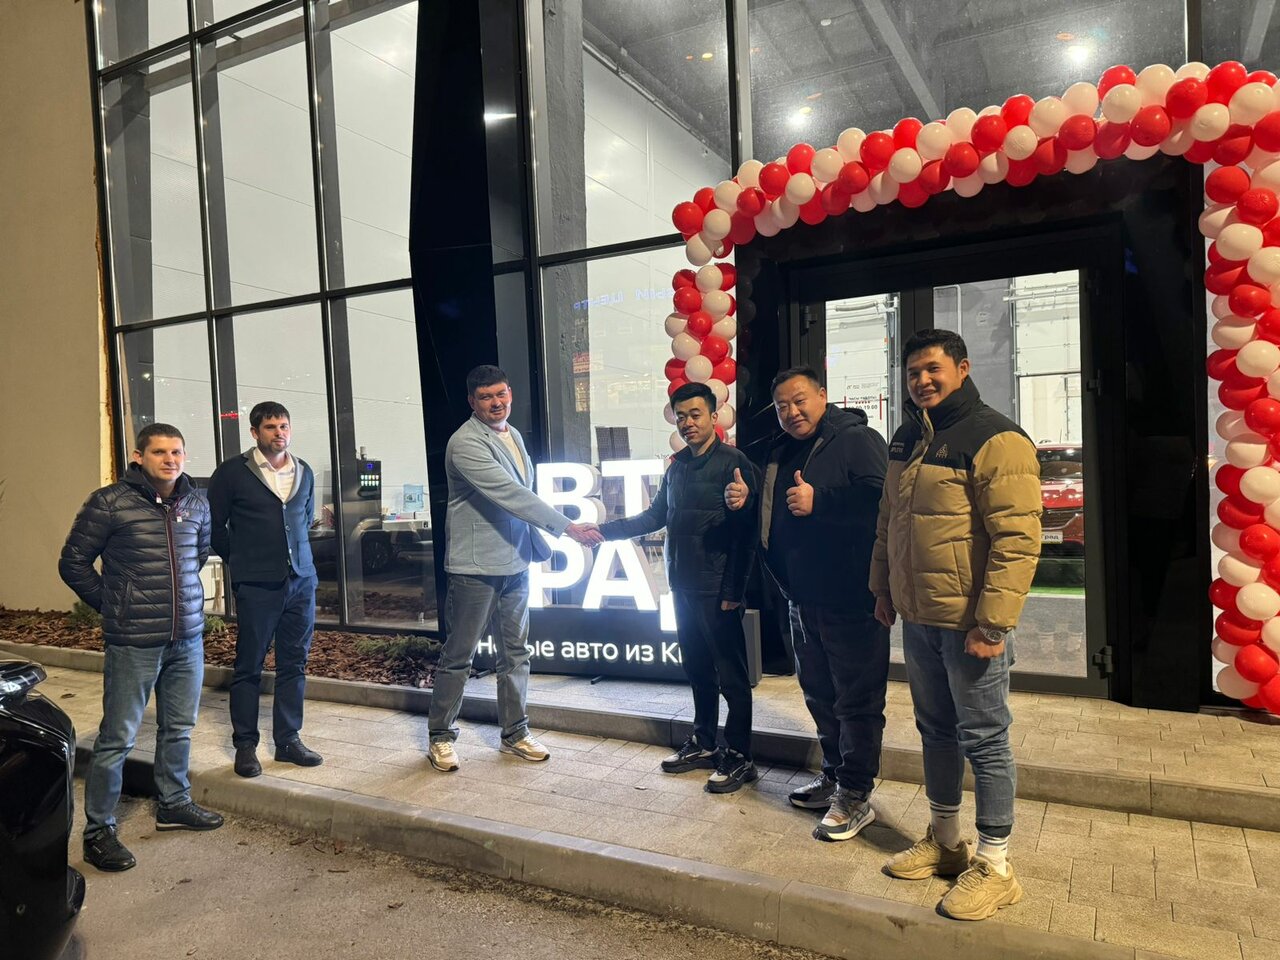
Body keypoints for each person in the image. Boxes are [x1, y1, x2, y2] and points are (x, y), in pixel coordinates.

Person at [872, 329, 1041, 921]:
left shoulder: (996, 437)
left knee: (985, 739)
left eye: (933, 369)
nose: (922, 380)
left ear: (962, 369)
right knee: (936, 731)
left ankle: (996, 866)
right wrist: (883, 588)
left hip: (969, 625)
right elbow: (889, 519)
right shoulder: (907, 436)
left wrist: (992, 625)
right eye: (913, 372)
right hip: (919, 618)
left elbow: (1017, 540)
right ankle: (946, 842)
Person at [729, 366, 888, 841]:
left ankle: (856, 794)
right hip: (800, 597)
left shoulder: (856, 440)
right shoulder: (780, 450)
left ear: (822, 395)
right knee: (819, 694)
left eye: (800, 400)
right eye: (782, 406)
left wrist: (823, 501)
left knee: (856, 700)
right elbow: (774, 510)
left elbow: (883, 501)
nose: (792, 412)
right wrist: (748, 496)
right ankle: (835, 775)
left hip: (851, 597)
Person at [59, 424, 224, 872]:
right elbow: (72, 562)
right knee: (117, 738)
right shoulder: (109, 502)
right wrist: (114, 605)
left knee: (179, 728)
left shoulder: (196, 503)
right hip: (133, 641)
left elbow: (197, 556)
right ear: (139, 457)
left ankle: (174, 803)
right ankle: (98, 831)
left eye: (177, 452)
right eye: (159, 452)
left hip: (186, 638)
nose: (170, 460)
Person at [427, 365, 602, 772]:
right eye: (486, 397)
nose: (496, 402)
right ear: (472, 402)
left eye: (501, 394)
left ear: (510, 394)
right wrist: (567, 527)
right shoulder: (464, 442)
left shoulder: (514, 434)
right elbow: (510, 494)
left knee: (516, 654)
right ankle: (440, 737)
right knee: (460, 656)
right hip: (475, 567)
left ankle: (515, 734)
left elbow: (523, 491)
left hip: (516, 561)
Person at [596, 382, 760, 793]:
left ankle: (740, 756)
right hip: (683, 586)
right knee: (698, 670)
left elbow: (747, 534)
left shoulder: (735, 464)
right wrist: (603, 532)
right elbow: (654, 518)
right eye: (681, 416)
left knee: (732, 677)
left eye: (695, 414)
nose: (688, 423)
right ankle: (704, 743)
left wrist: (734, 591)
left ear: (714, 416)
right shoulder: (677, 467)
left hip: (718, 591)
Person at [208, 401, 323, 778]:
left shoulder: (303, 470)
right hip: (257, 585)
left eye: (284, 426)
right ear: (255, 432)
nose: (279, 433)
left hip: (301, 582)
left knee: (294, 664)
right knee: (249, 666)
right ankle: (245, 746)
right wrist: (241, 560)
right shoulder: (231, 473)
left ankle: (288, 741)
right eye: (271, 427)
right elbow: (214, 527)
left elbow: (303, 519)